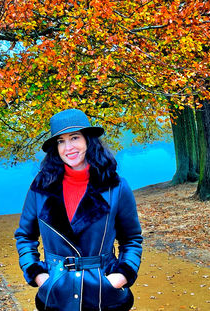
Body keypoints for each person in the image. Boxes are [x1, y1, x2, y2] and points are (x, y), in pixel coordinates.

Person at [15, 109, 143, 311]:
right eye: (60, 141)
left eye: (74, 137)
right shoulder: (41, 187)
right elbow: (25, 236)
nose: (68, 147)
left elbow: (132, 239)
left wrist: (121, 277)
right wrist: (39, 276)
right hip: (57, 294)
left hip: (103, 294)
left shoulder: (115, 187)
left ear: (88, 140)